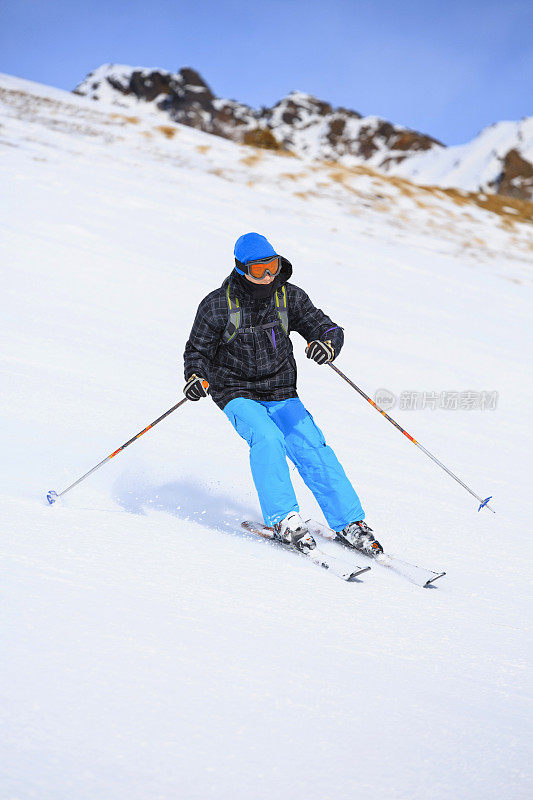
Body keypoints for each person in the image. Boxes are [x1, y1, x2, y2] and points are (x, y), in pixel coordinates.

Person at [183, 232, 382, 555]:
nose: (269, 276)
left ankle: (349, 523)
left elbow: (327, 328)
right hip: (235, 390)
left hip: (280, 389)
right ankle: (284, 519)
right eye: (260, 270)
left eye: (273, 266)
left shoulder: (288, 296)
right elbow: (197, 352)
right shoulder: (218, 305)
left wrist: (327, 345)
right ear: (241, 268)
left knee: (311, 445)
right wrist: (196, 377)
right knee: (268, 438)